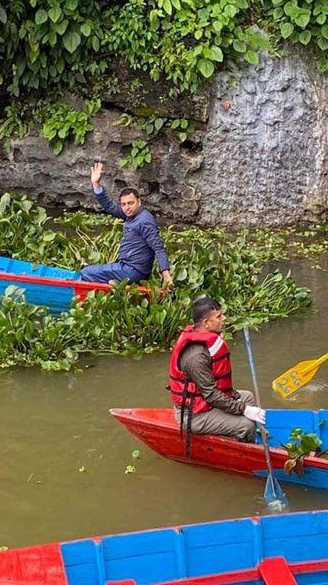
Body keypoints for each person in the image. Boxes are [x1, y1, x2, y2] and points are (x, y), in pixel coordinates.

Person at [168, 298, 265, 451]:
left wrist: (240, 404)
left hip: (206, 404)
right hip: (195, 415)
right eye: (219, 316)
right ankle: (243, 447)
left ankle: (240, 435)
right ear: (206, 323)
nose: (224, 319)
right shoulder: (196, 356)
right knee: (246, 425)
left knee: (247, 397)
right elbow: (211, 394)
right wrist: (243, 410)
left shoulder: (208, 342)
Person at [80, 162, 173, 285]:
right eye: (124, 204)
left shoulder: (144, 220)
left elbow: (158, 247)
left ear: (139, 202)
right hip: (125, 267)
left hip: (133, 271)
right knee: (93, 271)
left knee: (87, 272)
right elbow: (108, 205)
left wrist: (166, 275)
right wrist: (96, 183)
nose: (127, 207)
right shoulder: (130, 215)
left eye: (130, 203)